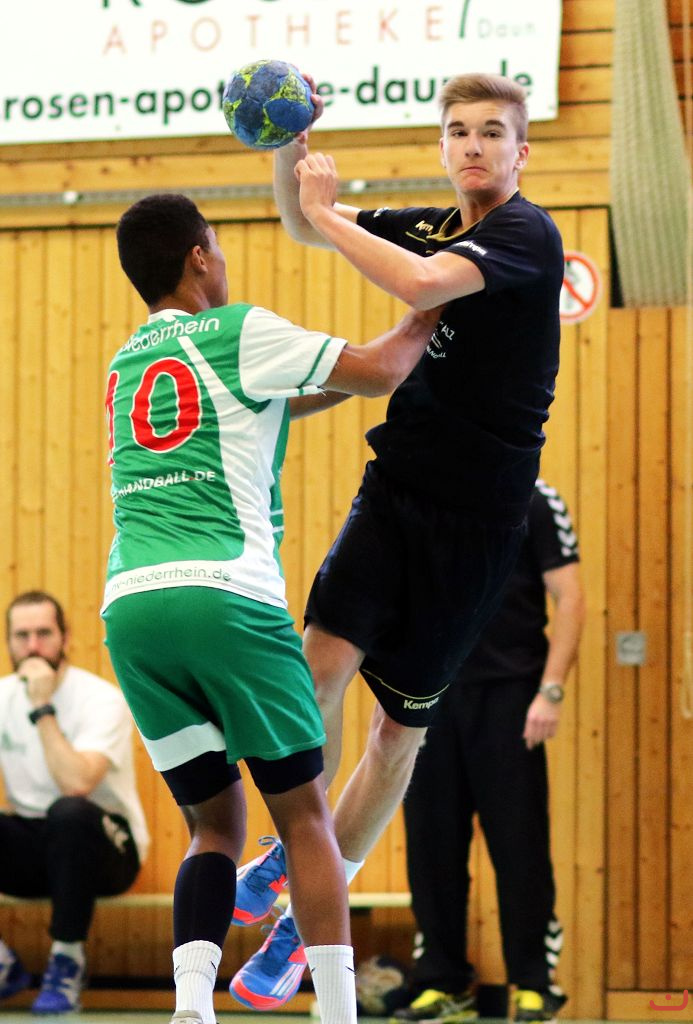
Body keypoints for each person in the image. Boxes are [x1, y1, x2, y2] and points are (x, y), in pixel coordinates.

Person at [229, 71, 565, 1021]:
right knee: (317, 667)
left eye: (490, 132)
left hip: (477, 527)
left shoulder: (525, 235)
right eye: (457, 131)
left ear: (518, 151)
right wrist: (291, 150)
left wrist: (327, 213)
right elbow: (300, 224)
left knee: (396, 733)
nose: (472, 145)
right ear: (442, 146)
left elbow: (417, 283)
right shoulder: (430, 222)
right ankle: (296, 852)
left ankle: (308, 918)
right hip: (394, 491)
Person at [101, 191, 441, 1024]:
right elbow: (379, 371)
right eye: (216, 246)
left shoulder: (125, 364)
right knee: (305, 818)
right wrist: (434, 302)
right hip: (225, 596)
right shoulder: (235, 330)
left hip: (132, 611)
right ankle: (337, 1012)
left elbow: (278, 402)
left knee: (213, 826)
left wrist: (344, 377)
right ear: (199, 257)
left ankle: (191, 1003)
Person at [394, 479, 585, 1024]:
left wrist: (551, 691)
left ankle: (534, 984)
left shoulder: (534, 498)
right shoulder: (416, 498)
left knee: (520, 845)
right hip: (429, 698)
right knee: (430, 846)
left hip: (509, 697)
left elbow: (570, 598)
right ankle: (442, 982)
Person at [0, 590, 149, 1014]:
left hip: (106, 850)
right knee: (52, 819)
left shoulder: (101, 699)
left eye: (43, 633)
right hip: (36, 850)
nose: (33, 647)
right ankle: (4, 965)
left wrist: (41, 706)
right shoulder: (2, 696)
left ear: (65, 638)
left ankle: (67, 962)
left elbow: (77, 783)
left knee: (69, 813)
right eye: (22, 636)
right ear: (9, 643)